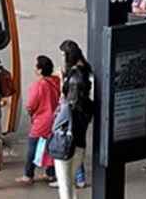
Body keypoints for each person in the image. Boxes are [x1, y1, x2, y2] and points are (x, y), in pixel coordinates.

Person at [54, 40, 93, 199]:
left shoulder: (74, 79)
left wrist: (62, 81)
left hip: (66, 142)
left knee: (65, 184)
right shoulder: (86, 72)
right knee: (70, 181)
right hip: (80, 139)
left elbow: (67, 106)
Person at [18, 56, 61, 185]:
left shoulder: (38, 85)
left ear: (40, 70)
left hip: (41, 121)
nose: (34, 69)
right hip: (55, 119)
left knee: (33, 146)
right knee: (51, 147)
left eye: (36, 66)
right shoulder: (56, 81)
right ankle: (51, 173)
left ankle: (28, 174)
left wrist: (31, 112)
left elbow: (31, 105)